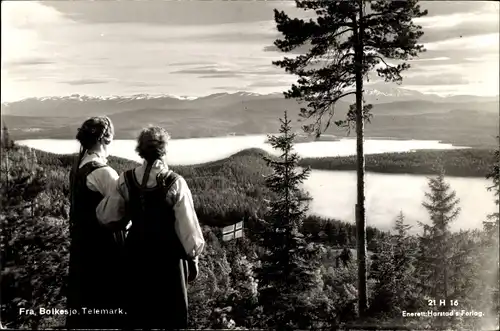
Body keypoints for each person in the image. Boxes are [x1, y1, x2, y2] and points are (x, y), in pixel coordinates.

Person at [96, 126, 205, 329]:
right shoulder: (175, 183)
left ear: (140, 151)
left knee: (137, 314)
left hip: (135, 254)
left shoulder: (125, 180)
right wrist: (194, 258)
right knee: (170, 316)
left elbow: (107, 216)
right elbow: (188, 229)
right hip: (168, 260)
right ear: (164, 150)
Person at [66, 116, 126, 329]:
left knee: (86, 301)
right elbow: (119, 212)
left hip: (83, 246)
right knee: (107, 303)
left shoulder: (79, 166)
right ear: (104, 140)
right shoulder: (103, 173)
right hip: (103, 248)